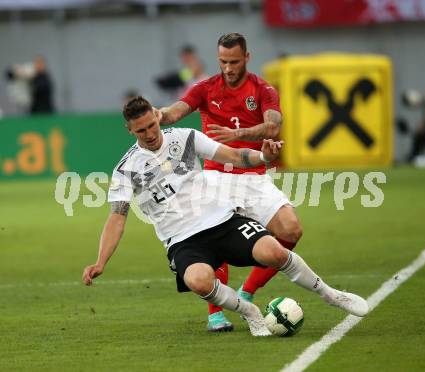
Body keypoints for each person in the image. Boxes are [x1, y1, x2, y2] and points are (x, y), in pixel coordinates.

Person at [82, 97, 369, 337]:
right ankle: (250, 312)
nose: (150, 133)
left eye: (152, 125)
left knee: (274, 252)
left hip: (222, 221)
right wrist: (101, 261)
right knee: (198, 281)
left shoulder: (185, 138)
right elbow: (117, 218)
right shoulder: (126, 169)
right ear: (130, 130)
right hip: (182, 240)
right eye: (141, 130)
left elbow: (233, 156)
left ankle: (331, 295)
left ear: (158, 117)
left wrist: (264, 158)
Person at [159, 33, 302, 332]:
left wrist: (237, 136)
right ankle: (216, 314)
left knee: (290, 229)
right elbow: (177, 111)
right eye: (223, 61)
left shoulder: (263, 89)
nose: (228, 68)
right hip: (215, 176)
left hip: (252, 174)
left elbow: (274, 125)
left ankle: (247, 291)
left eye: (234, 61)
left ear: (247, 58)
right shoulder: (205, 88)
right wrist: (159, 116)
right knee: (213, 234)